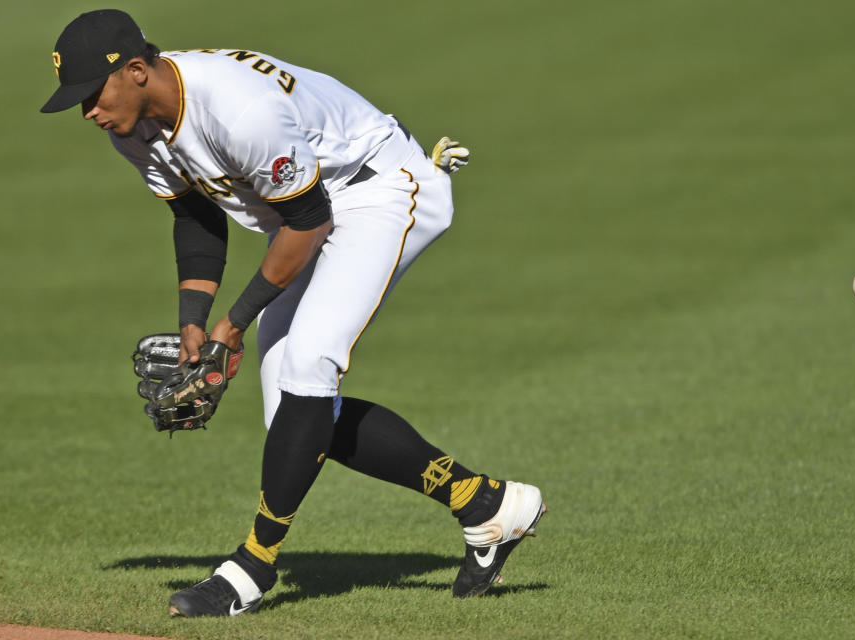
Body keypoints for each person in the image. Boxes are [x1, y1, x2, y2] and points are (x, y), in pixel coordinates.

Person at [41, 9, 546, 617]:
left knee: (309, 365)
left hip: (379, 188)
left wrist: (235, 326)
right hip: (315, 209)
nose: (87, 111)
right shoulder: (132, 130)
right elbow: (194, 216)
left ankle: (252, 566)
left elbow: (310, 223)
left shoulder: (238, 110)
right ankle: (486, 504)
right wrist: (196, 321)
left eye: (92, 94)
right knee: (296, 413)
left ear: (138, 71)